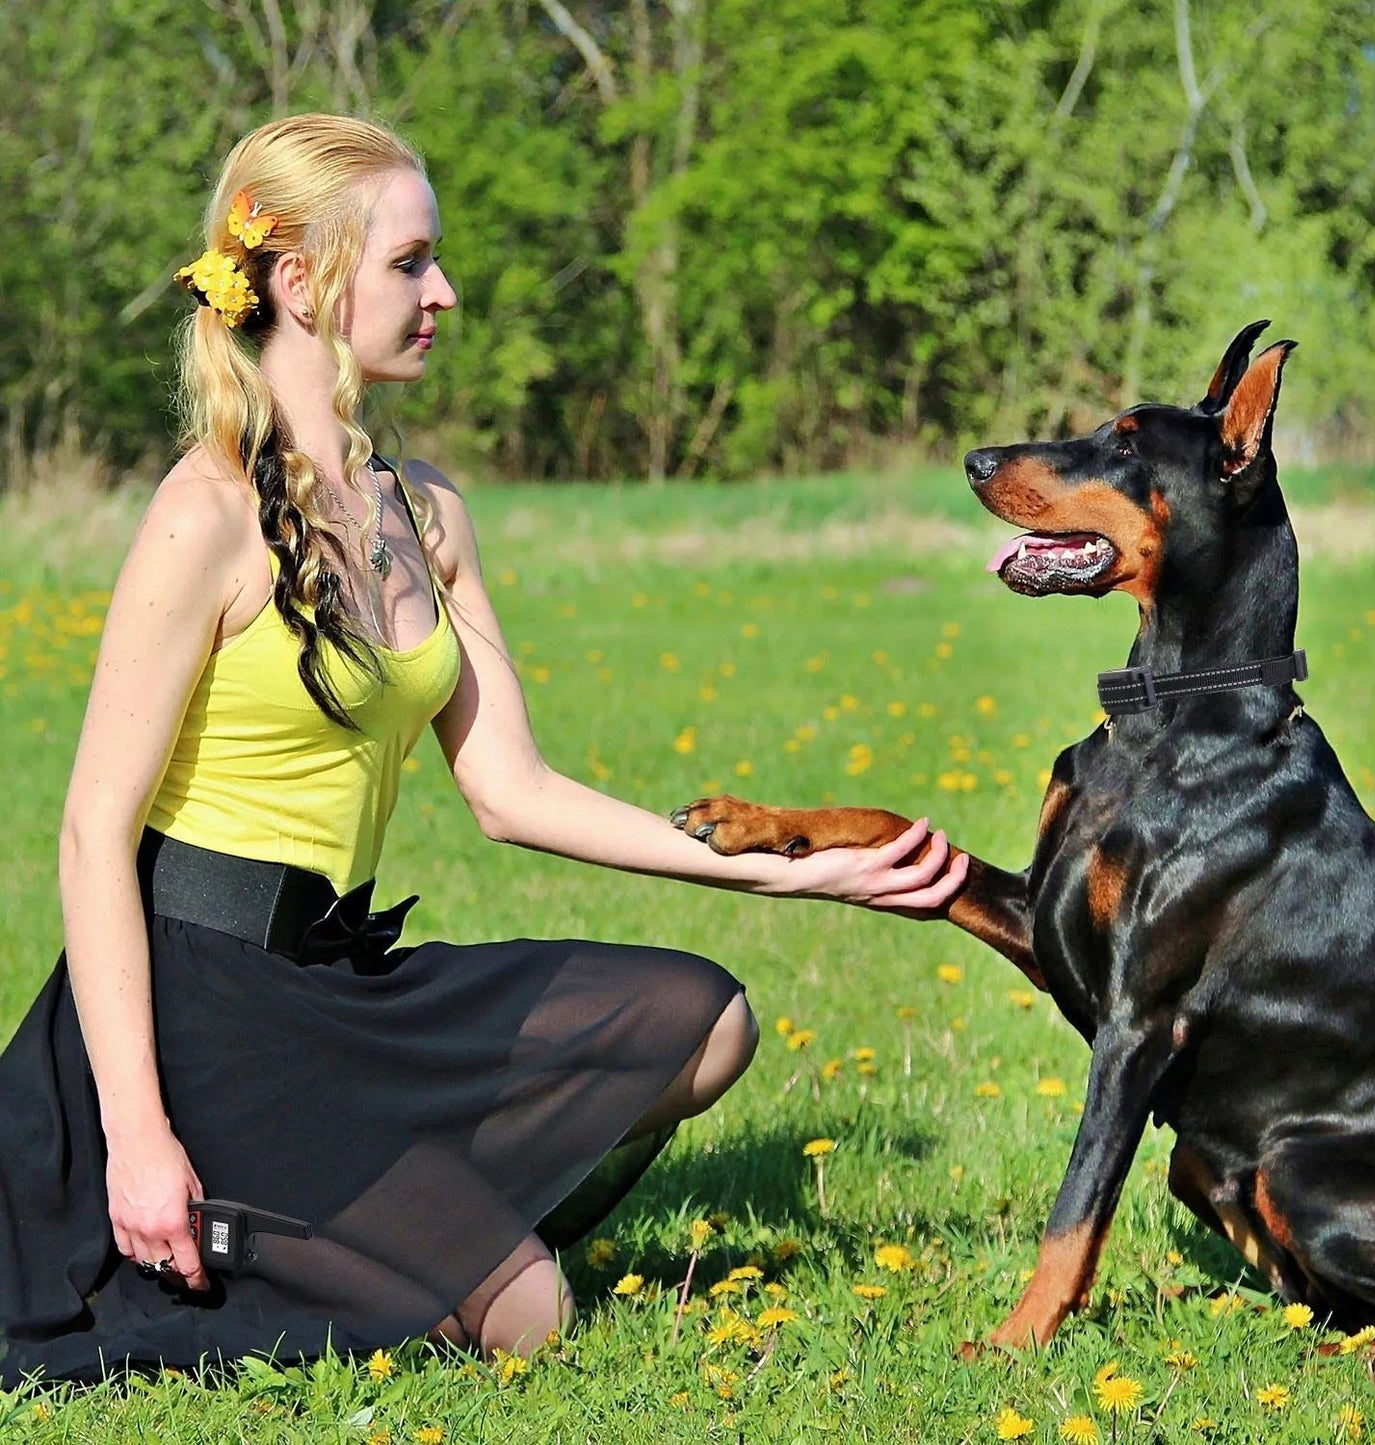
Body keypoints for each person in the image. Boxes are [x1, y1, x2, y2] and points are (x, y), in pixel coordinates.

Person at [0, 113, 967, 1388]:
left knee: (702, 1019)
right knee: (529, 1317)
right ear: (301, 282)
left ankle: (379, 1197)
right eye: (410, 262)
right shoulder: (205, 515)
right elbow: (90, 834)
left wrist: (789, 873)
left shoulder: (427, 512)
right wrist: (134, 1126)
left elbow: (510, 790)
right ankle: (218, 1225)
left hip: (332, 974)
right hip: (197, 1004)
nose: (442, 292)